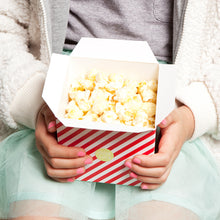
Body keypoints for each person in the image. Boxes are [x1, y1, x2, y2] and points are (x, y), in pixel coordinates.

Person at [0, 0, 220, 219]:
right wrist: (33, 102)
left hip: (178, 106)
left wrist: (193, 114)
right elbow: (4, 25)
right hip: (52, 95)